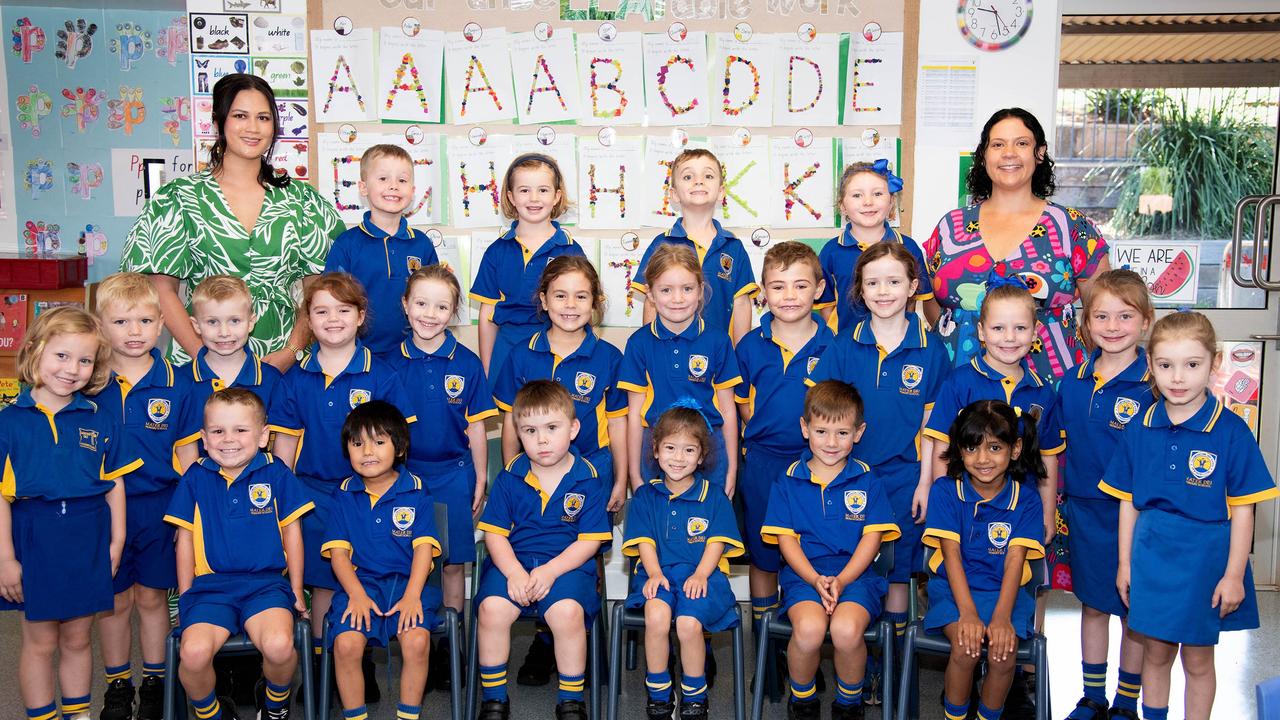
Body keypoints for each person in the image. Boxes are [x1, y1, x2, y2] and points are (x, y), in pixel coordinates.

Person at [1102, 312, 1279, 720]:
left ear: (1215, 364)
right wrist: (1125, 564)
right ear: (1150, 366)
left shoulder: (1232, 431)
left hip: (1206, 562)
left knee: (1198, 661)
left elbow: (1243, 508)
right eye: (1165, 365)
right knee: (1156, 653)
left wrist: (1234, 575)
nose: (1177, 378)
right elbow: (1128, 502)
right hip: (1151, 557)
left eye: (1192, 365)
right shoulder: (1139, 428)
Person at [806, 243, 951, 702]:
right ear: (859, 290)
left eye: (893, 281)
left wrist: (929, 482)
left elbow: (935, 428)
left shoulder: (932, 350)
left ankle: (893, 668)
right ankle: (862, 665)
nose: (883, 291)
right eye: (872, 282)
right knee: (860, 570)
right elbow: (823, 415)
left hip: (907, 479)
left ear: (913, 287)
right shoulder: (844, 345)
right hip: (850, 479)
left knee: (897, 576)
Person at [122, 73, 343, 370]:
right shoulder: (179, 198)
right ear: (219, 122)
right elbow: (161, 289)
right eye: (241, 115)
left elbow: (320, 288)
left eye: (263, 118)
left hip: (283, 363)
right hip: (200, 363)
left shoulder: (303, 201)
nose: (253, 127)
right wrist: (203, 356)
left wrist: (290, 353)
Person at [269, 272, 415, 677]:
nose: (333, 319)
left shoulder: (381, 374)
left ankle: (359, 662)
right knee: (324, 584)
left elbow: (398, 444)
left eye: (343, 310)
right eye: (321, 311)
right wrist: (286, 503)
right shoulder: (296, 379)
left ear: (361, 316)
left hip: (370, 497)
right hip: (314, 495)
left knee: (366, 576)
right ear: (308, 320)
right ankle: (323, 668)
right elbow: (283, 452)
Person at [0, 307, 140, 720]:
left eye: (84, 360)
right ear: (35, 351)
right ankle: (42, 715)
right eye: (61, 355)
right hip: (34, 536)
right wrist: (6, 559)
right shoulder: (9, 422)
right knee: (40, 641)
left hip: (88, 535)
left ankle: (78, 715)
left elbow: (115, 484)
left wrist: (116, 542)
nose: (72, 369)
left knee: (79, 638)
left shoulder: (101, 419)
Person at [922, 107, 1110, 379]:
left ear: (1040, 153)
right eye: (998, 144)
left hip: (1050, 384)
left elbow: (1102, 312)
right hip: (957, 381)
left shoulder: (1071, 227)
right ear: (984, 155)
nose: (1009, 152)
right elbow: (930, 301)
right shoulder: (951, 227)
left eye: (1021, 143)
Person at [92, 273, 202, 720]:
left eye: (144, 321)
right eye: (120, 321)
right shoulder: (88, 384)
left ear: (162, 326)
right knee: (115, 601)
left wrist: (190, 520)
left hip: (161, 507)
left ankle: (156, 681)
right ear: (100, 326)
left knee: (155, 598)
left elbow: (191, 458)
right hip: (101, 510)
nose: (133, 332)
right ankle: (118, 685)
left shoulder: (179, 384)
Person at [165, 388, 311, 720]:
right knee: (193, 653)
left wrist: (296, 591)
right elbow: (184, 541)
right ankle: (213, 713)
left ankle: (274, 704)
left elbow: (293, 535)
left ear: (263, 436)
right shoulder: (195, 478)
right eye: (218, 431)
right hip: (210, 589)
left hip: (266, 586)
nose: (228, 439)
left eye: (240, 430)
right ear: (203, 438)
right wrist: (186, 595)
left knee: (278, 646)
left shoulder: (277, 474)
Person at [760, 381, 900, 720]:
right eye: (821, 431)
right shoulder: (788, 480)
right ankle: (804, 701)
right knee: (808, 630)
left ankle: (849, 704)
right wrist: (815, 580)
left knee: (845, 630)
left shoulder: (868, 480)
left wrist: (841, 579)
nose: (831, 442)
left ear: (858, 433)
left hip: (856, 578)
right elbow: (786, 541)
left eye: (842, 433)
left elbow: (872, 540)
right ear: (805, 429)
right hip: (803, 577)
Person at [473, 381, 613, 720]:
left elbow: (589, 541)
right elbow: (494, 535)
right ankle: (494, 699)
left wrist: (550, 571)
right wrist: (515, 572)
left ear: (574, 428)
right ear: (519, 435)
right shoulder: (510, 476)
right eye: (531, 431)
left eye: (552, 428)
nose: (543, 440)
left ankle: (570, 699)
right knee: (491, 609)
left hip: (566, 569)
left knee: (566, 614)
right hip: (514, 566)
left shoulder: (589, 478)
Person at [1054, 270, 1156, 720]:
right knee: (1093, 603)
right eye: (1101, 316)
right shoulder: (1072, 382)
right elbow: (1055, 447)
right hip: (1085, 510)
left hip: (1137, 515)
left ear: (1146, 321)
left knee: (1133, 611)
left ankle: (1126, 701)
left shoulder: (1155, 383)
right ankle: (1093, 696)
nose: (1113, 326)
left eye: (1125, 316)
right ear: (1086, 323)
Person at [389, 264, 496, 691]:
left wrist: (481, 477)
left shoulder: (467, 364)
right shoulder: (387, 363)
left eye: (441, 306)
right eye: (421, 304)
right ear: (405, 306)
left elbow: (475, 428)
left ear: (454, 312)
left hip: (454, 475)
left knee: (453, 565)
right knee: (411, 563)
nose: (430, 314)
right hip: (404, 479)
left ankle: (451, 651)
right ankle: (419, 645)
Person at [734, 241, 834, 651]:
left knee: (810, 547)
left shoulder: (835, 346)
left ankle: (803, 640)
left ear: (819, 288)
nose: (789, 296)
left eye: (799, 285)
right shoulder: (750, 346)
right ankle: (766, 645)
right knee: (764, 551)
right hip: (763, 464)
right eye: (778, 287)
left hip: (817, 466)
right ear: (763, 292)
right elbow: (740, 403)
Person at [922, 400, 1046, 720]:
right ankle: (956, 716)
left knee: (1004, 656)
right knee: (966, 648)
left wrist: (1002, 618)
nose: (983, 459)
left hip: (1005, 594)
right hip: (953, 590)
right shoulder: (946, 491)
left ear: (1015, 449)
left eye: (994, 447)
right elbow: (951, 558)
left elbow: (1015, 563)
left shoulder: (1027, 500)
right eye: (972, 448)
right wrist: (967, 614)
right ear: (960, 451)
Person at [621, 404, 745, 720]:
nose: (678, 458)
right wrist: (653, 573)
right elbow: (645, 542)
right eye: (671, 448)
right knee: (657, 616)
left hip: (703, 577)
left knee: (689, 625)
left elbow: (716, 541)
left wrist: (702, 574)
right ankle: (660, 693)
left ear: (702, 456)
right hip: (658, 574)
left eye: (689, 450)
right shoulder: (645, 497)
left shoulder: (714, 496)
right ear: (656, 451)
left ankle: (694, 695)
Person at [323, 401, 442, 720]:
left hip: (410, 585)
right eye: (357, 443)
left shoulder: (416, 491)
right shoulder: (343, 493)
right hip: (360, 587)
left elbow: (423, 550)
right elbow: (338, 554)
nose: (367, 452)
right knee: (346, 645)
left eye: (379, 442)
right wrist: (357, 595)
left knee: (417, 641)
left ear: (399, 447)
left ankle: (408, 716)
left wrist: (413, 596)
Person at [493, 256, 628, 511]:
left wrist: (622, 480)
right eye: (560, 296)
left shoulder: (610, 358)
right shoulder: (521, 355)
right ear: (544, 301)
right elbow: (511, 422)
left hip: (594, 472)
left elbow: (618, 424)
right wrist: (512, 476)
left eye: (581, 296)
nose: (570, 305)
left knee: (590, 544)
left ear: (594, 303)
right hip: (533, 473)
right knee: (536, 542)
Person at [620, 244, 742, 492]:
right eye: (666, 290)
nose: (677, 299)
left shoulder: (718, 341)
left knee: (708, 527)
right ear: (651, 294)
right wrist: (634, 473)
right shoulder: (638, 343)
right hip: (654, 450)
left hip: (709, 449)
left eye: (687, 289)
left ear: (700, 291)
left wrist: (731, 469)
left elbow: (728, 411)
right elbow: (634, 415)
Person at [470, 153, 586, 375]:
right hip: (508, 351)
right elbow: (487, 314)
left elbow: (583, 307)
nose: (534, 198)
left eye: (543, 190)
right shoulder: (497, 251)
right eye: (524, 190)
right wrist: (487, 368)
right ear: (511, 197)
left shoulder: (571, 250)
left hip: (556, 349)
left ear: (556, 196)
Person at [323, 143, 439, 358]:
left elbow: (437, 297)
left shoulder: (422, 244)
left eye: (402, 180)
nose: (393, 186)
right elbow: (333, 303)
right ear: (363, 187)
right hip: (359, 355)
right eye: (383, 178)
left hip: (413, 354)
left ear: (412, 191)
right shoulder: (347, 245)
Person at [632, 148, 757, 344]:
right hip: (668, 354)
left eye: (708, 175)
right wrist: (651, 351)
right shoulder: (661, 244)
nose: (699, 181)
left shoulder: (734, 247)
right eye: (688, 176)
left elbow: (741, 304)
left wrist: (741, 357)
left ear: (721, 192)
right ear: (673, 194)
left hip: (720, 359)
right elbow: (651, 301)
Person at [816, 160, 935, 334]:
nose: (868, 202)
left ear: (891, 202)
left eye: (878, 194)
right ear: (842, 206)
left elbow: (911, 300)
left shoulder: (908, 248)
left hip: (897, 346)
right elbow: (826, 306)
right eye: (857, 195)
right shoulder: (831, 251)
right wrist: (840, 339)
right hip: (848, 349)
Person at [185, 274, 285, 412]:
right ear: (196, 325)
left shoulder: (273, 380)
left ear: (251, 323)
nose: (224, 332)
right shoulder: (181, 381)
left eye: (234, 321)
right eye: (212, 322)